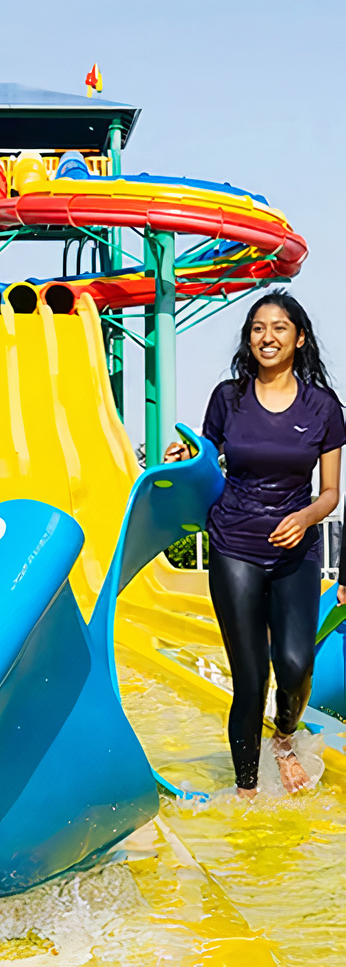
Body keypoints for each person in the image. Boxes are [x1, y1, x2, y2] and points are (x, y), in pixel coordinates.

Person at [164, 290, 344, 799]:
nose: (268, 337)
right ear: (249, 339)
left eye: (279, 328)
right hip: (234, 543)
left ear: (299, 338)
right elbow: (204, 460)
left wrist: (304, 517)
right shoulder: (229, 398)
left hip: (295, 551)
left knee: (295, 665)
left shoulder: (322, 406)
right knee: (249, 677)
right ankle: (246, 795)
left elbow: (331, 492)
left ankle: (284, 737)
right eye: (258, 328)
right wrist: (182, 458)